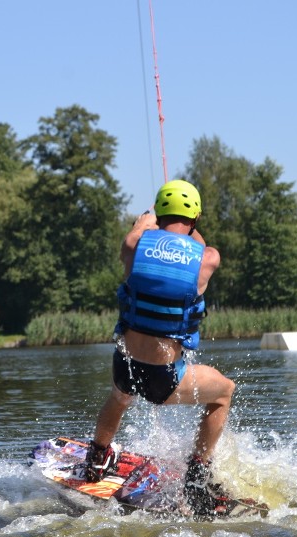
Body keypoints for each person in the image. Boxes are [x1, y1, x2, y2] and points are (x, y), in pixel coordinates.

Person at [84, 179, 236, 517]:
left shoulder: (133, 246)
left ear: (160, 211)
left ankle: (98, 455)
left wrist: (148, 218)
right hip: (163, 378)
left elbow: (140, 229)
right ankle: (197, 473)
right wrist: (188, 229)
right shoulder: (206, 259)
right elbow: (200, 246)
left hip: (124, 364)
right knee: (224, 391)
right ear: (195, 217)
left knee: (119, 397)